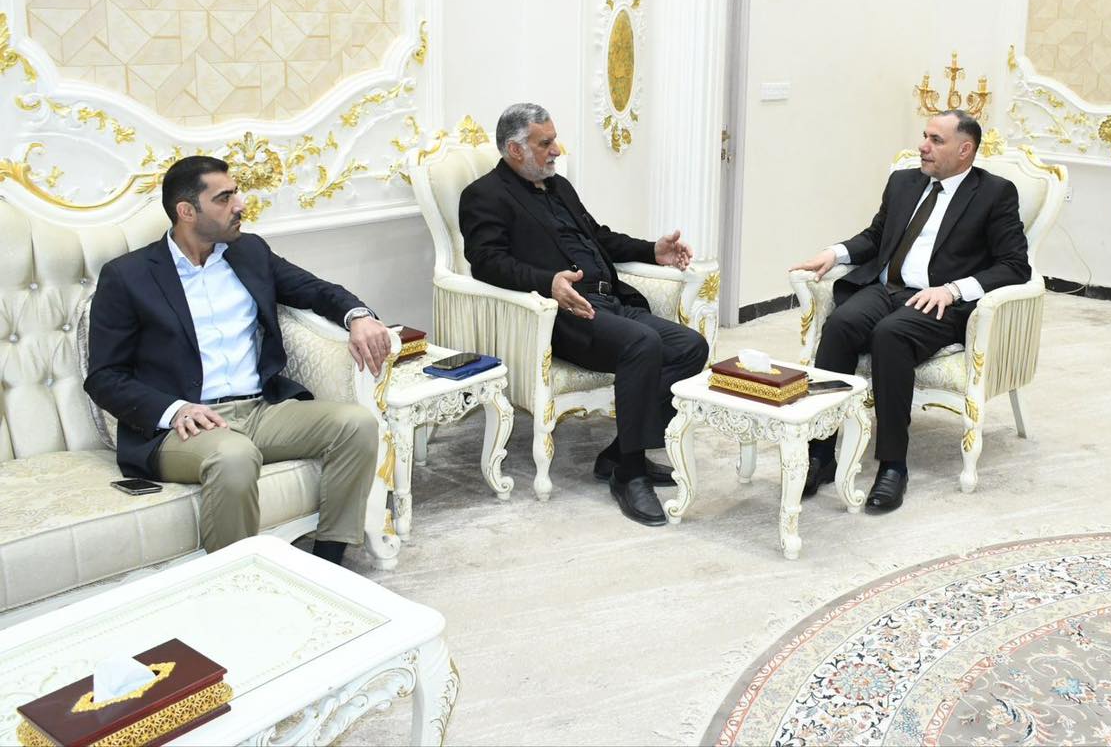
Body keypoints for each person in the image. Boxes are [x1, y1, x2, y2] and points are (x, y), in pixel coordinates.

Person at [85, 155, 392, 565]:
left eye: (236, 193)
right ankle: (235, 580)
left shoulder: (249, 252)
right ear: (186, 211)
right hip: (186, 427)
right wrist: (175, 410)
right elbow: (105, 376)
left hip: (260, 408)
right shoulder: (128, 276)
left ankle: (327, 562)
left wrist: (359, 317)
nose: (240, 205)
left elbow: (316, 290)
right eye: (224, 198)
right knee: (234, 456)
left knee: (356, 424)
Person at [458, 102, 709, 527]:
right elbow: (486, 263)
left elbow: (600, 238)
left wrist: (653, 250)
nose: (557, 150)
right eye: (545, 143)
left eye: (554, 140)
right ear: (515, 150)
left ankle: (617, 454)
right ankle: (630, 474)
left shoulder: (559, 187)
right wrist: (547, 283)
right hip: (562, 315)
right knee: (642, 344)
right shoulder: (484, 196)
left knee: (690, 346)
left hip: (611, 302)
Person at [791, 110, 1030, 513]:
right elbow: (876, 236)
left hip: (938, 301)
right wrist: (835, 253)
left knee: (891, 335)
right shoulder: (903, 182)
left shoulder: (995, 193)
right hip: (885, 289)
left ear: (965, 150)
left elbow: (1014, 265)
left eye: (936, 140)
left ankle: (893, 466)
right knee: (841, 325)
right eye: (925, 136)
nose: (923, 146)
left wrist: (953, 290)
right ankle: (821, 453)